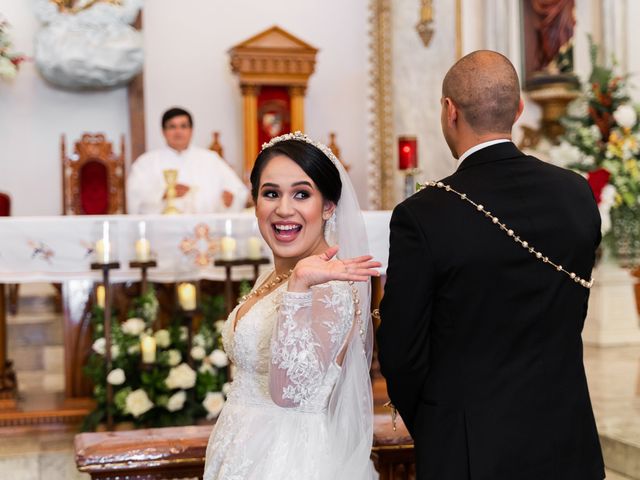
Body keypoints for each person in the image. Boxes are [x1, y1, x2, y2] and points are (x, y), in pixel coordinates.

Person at [377, 50, 604, 480]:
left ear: (450, 111)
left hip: (468, 448)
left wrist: (437, 420)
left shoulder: (422, 215)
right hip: (567, 437)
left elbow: (401, 352)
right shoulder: (576, 194)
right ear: (518, 109)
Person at [203, 132, 380, 479]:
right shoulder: (270, 277)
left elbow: (290, 392)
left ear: (328, 206)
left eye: (301, 194)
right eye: (271, 193)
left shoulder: (328, 287)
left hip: (289, 460)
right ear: (255, 201)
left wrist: (299, 286)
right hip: (241, 450)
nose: (284, 209)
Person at [126, 107, 248, 214]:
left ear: (191, 130)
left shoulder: (211, 159)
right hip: (163, 231)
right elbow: (134, 197)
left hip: (204, 230)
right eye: (172, 127)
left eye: (183, 126)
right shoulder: (146, 162)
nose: (178, 132)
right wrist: (163, 194)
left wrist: (230, 201)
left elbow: (239, 191)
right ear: (163, 131)